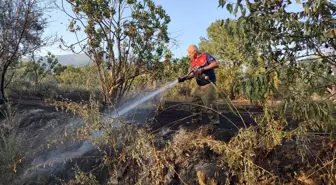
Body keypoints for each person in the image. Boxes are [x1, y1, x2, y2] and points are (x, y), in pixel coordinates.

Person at [178, 45, 220, 125]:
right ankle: (196, 121)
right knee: (194, 103)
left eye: (190, 52)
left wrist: (203, 69)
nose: (189, 54)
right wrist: (184, 78)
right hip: (199, 86)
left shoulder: (206, 56)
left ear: (195, 51)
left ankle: (214, 123)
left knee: (210, 104)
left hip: (209, 85)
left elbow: (215, 64)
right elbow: (191, 75)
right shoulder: (192, 62)